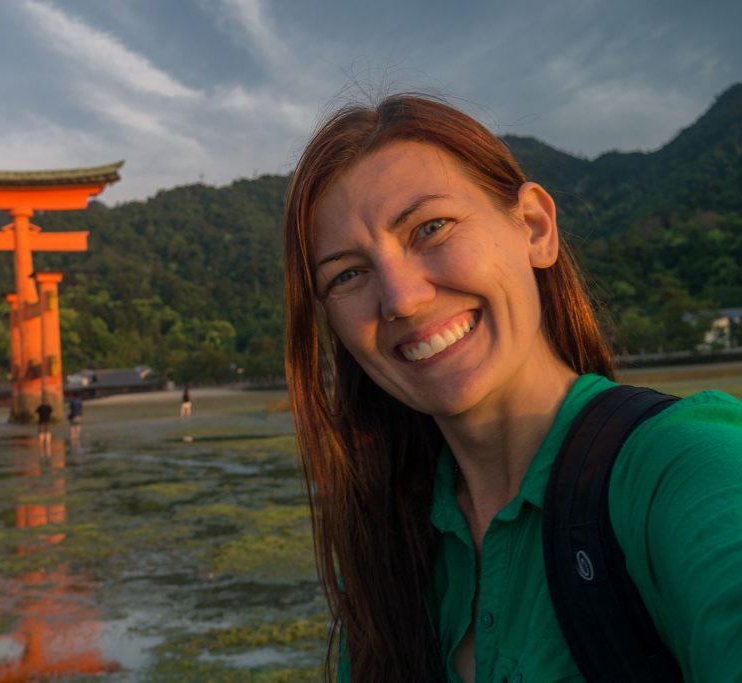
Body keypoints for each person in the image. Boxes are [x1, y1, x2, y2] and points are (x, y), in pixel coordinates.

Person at [283, 94, 742, 682]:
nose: (400, 298)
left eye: (430, 228)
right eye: (347, 273)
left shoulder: (679, 469)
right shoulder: (386, 552)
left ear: (534, 227)